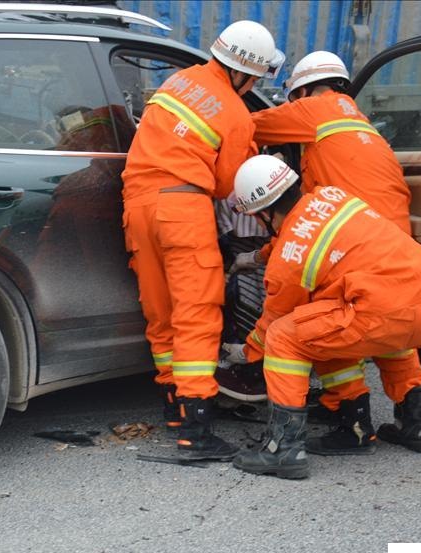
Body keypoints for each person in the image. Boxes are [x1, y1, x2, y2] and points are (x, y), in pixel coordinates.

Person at [219, 50, 421, 452]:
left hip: (347, 245)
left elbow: (242, 125)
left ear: (301, 90)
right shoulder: (360, 123)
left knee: (324, 323)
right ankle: (414, 421)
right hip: (389, 241)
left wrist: (247, 350)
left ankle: (351, 419)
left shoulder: (314, 109)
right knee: (391, 328)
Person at [227, 155, 421, 479]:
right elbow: (305, 235)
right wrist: (256, 257)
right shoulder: (331, 197)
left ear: (262, 212)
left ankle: (284, 450)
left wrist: (244, 351)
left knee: (287, 334)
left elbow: (272, 322)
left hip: (389, 314)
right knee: (353, 321)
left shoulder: (287, 263)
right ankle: (414, 425)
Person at [121, 20, 282, 458]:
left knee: (161, 314)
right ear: (245, 73)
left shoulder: (177, 82)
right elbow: (232, 186)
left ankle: (174, 404)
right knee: (196, 314)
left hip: (137, 207)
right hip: (181, 209)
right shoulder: (234, 113)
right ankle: (197, 428)